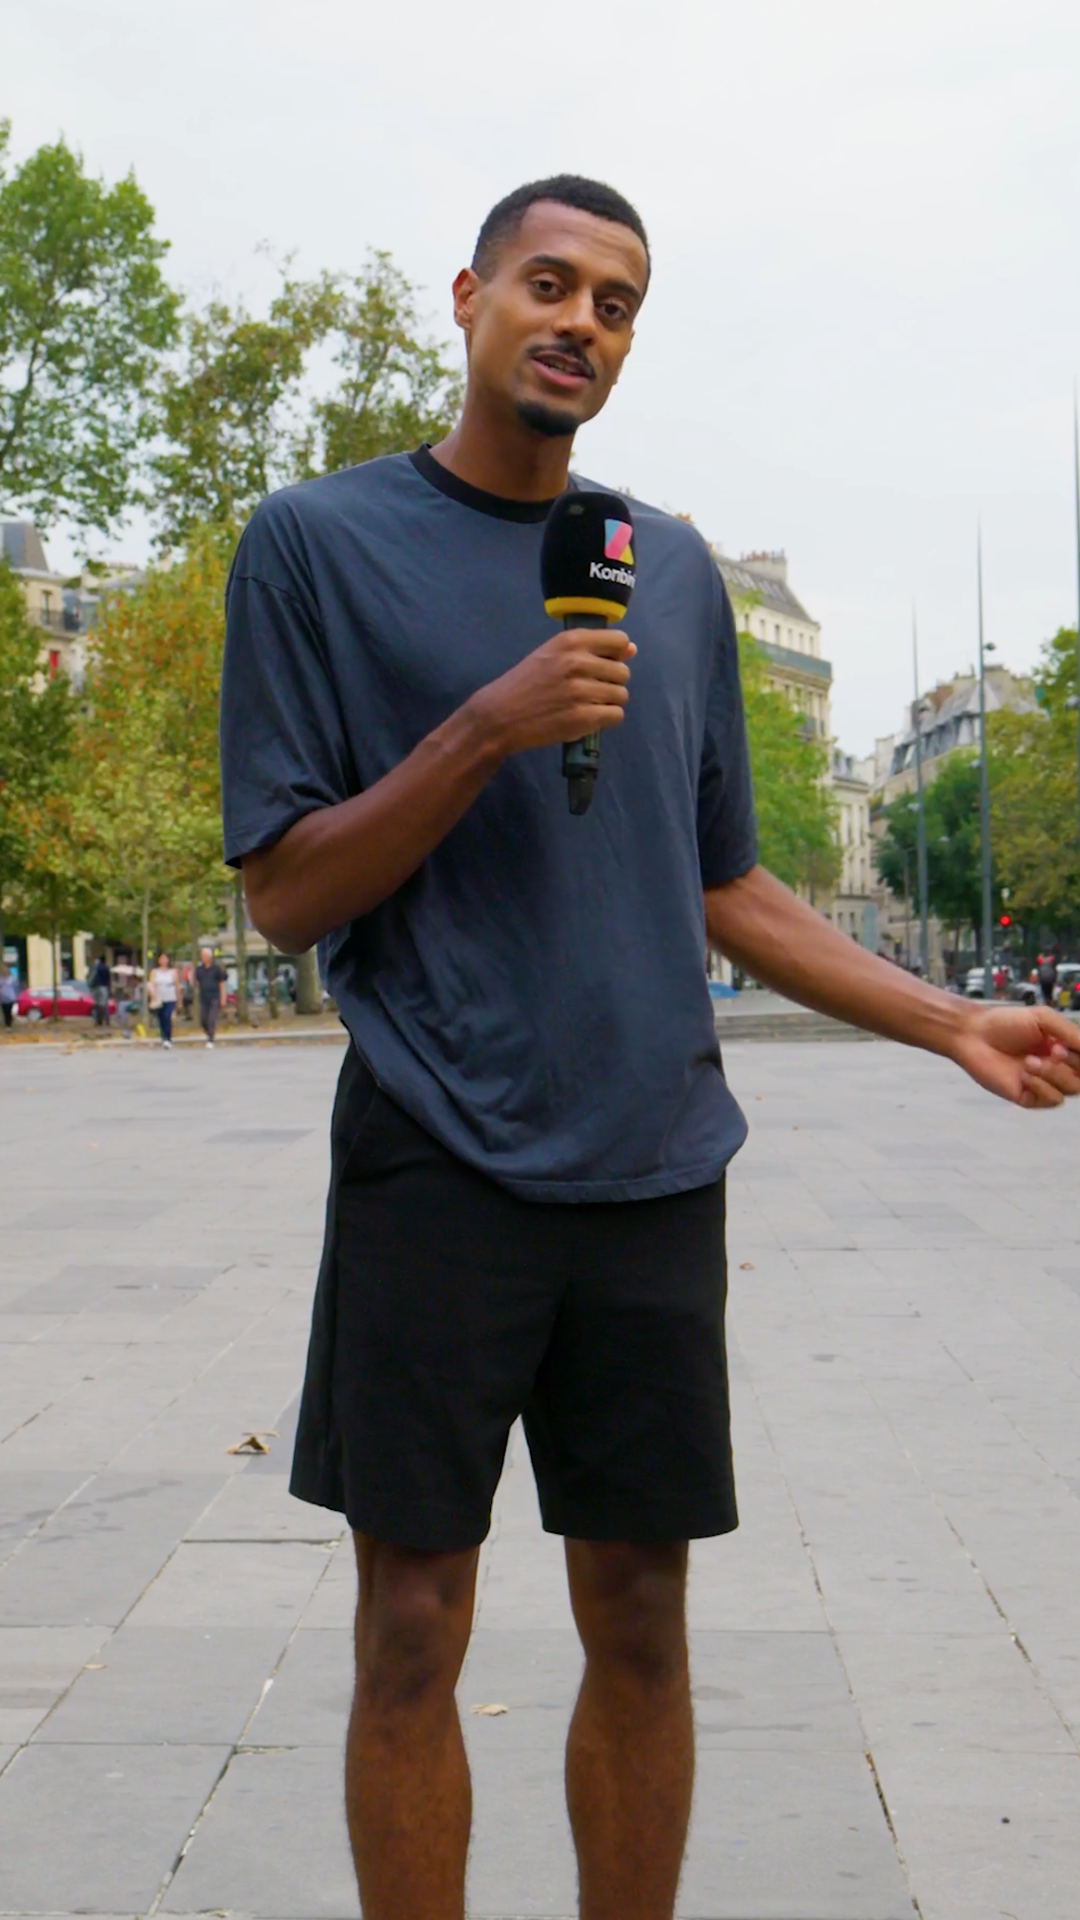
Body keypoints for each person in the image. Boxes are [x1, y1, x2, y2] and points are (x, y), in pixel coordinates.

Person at [219, 175, 1080, 1920]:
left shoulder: (660, 570)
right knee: (410, 1624)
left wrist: (948, 1018)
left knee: (640, 1612)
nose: (581, 324)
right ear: (465, 297)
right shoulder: (314, 542)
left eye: (618, 303)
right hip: (434, 1154)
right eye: (549, 284)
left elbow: (728, 885)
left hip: (653, 1164)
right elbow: (283, 896)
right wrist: (486, 725)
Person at [194, 945, 227, 1047]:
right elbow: (197, 982)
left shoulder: (216, 969)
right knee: (203, 1020)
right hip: (204, 997)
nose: (202, 957)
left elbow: (221, 983)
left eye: (204, 955)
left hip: (215, 996)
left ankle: (210, 1039)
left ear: (209, 957)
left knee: (211, 1018)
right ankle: (208, 1033)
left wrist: (223, 997)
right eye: (201, 955)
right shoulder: (199, 970)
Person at [147, 951, 178, 1048]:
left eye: (165, 958)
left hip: (170, 996)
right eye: (161, 958)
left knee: (167, 1016)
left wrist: (179, 998)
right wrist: (152, 995)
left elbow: (177, 985)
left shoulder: (173, 972)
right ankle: (163, 1036)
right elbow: (151, 984)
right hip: (159, 997)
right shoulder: (154, 972)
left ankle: (168, 1038)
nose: (164, 960)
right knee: (161, 1018)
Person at [89, 954, 112, 1028]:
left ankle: (98, 1021)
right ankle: (107, 1020)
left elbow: (92, 977)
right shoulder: (106, 968)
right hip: (104, 987)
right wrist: (109, 989)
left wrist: (90, 985)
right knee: (104, 1005)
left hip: (96, 987)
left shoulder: (96, 967)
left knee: (96, 1005)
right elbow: (109, 980)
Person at [0, 963, 16, 1031]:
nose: (5, 971)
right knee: (5, 1012)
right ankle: (7, 1025)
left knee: (9, 1011)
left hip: (11, 998)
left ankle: (9, 1025)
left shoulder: (12, 979)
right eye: (3, 970)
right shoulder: (0, 979)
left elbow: (15, 987)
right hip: (3, 998)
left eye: (6, 970)